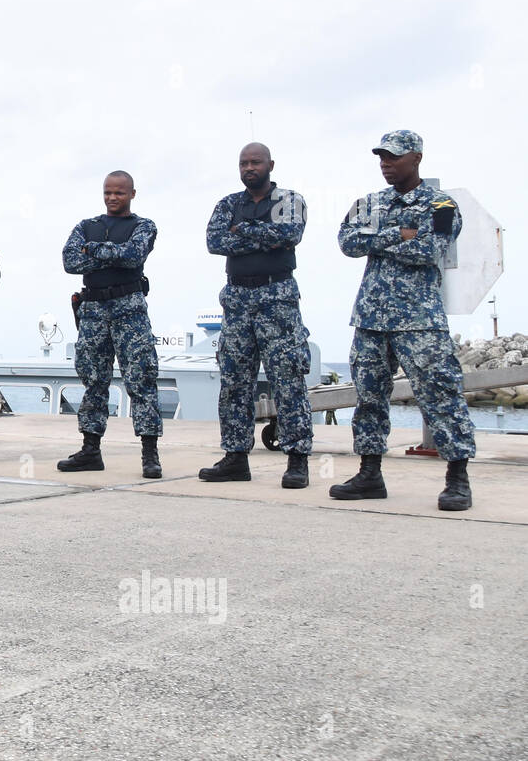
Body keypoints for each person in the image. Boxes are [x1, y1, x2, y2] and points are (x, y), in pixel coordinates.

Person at [331, 130, 475, 511]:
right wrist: (398, 232)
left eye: (394, 157)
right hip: (371, 319)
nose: (386, 164)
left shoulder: (441, 204)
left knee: (441, 396)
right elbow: (347, 243)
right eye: (381, 157)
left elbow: (430, 249)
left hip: (419, 320)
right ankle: (370, 474)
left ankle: (458, 477)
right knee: (369, 399)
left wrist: (379, 239)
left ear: (417, 158)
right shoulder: (369, 202)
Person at [198, 143, 314, 489]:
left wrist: (242, 231)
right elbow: (214, 241)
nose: (249, 167)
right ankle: (235, 457)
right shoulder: (229, 204)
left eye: (255, 162)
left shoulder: (289, 201)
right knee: (234, 381)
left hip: (276, 299)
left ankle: (297, 459)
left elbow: (289, 234)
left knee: (287, 379)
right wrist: (263, 236)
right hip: (236, 301)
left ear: (270, 165)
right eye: (244, 163)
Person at [58, 171, 162, 478]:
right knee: (93, 379)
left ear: (132, 194)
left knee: (141, 379)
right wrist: (112, 255)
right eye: (107, 193)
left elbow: (134, 256)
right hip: (92, 311)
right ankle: (91, 450)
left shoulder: (143, 226)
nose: (112, 198)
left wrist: (95, 250)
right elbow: (70, 261)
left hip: (129, 310)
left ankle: (150, 453)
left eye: (118, 193)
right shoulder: (86, 226)